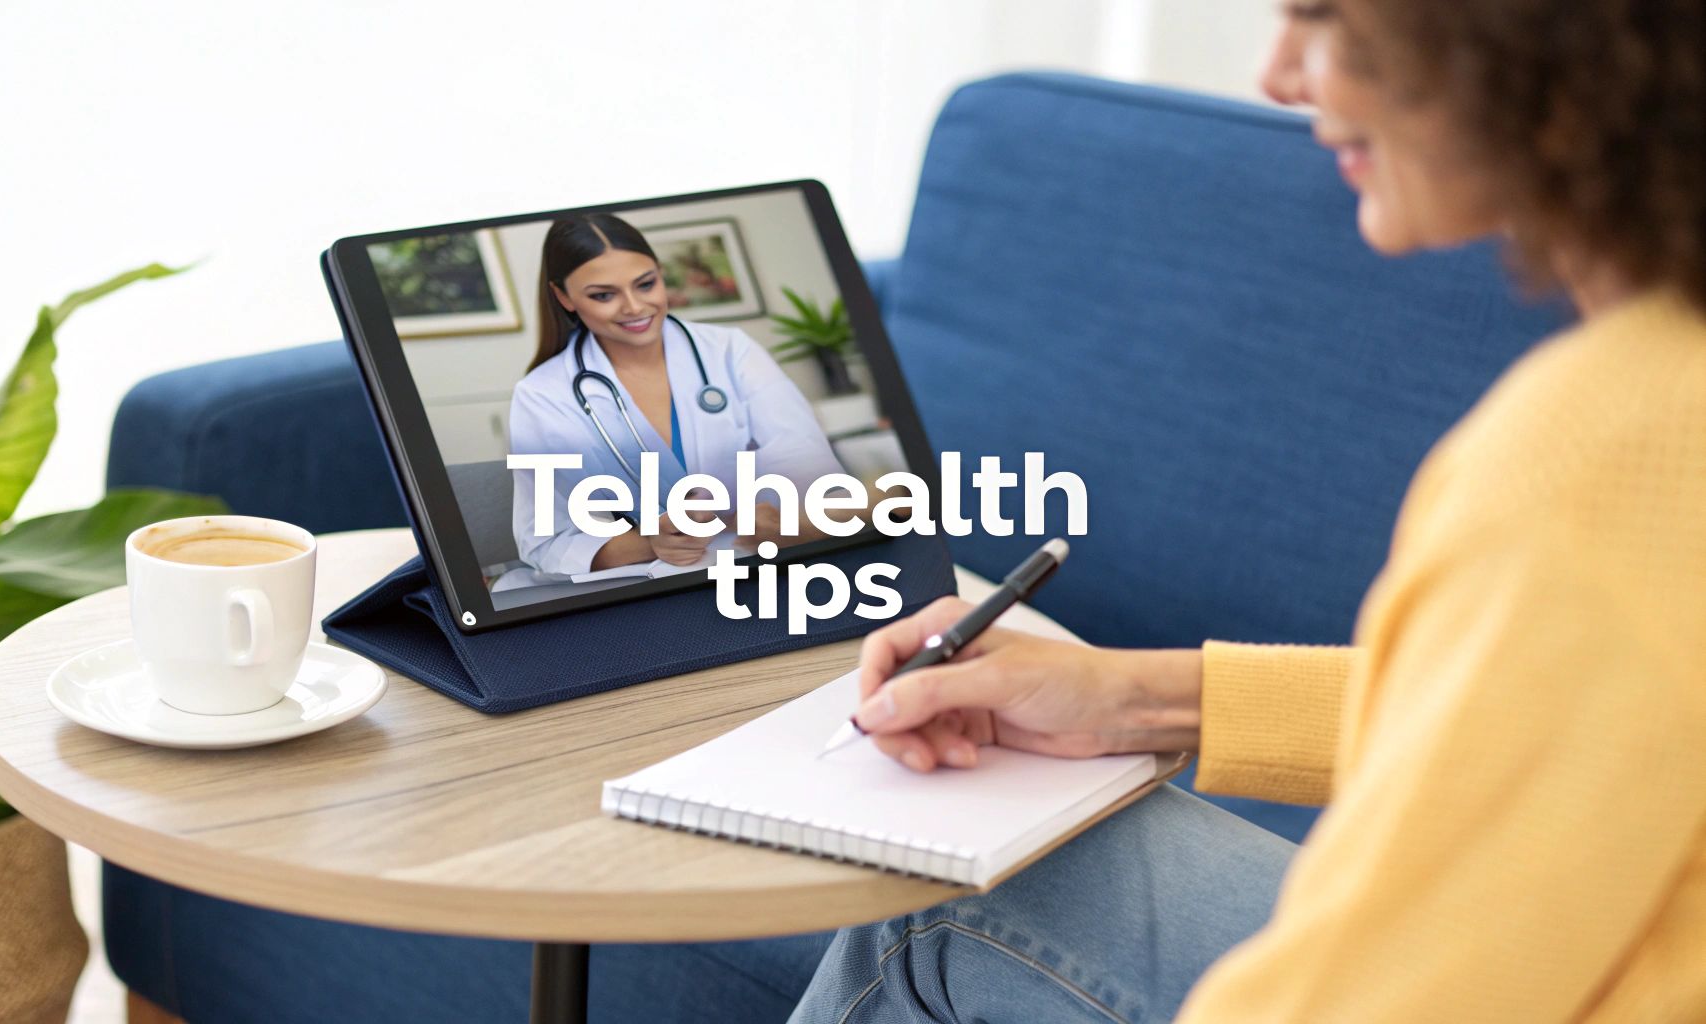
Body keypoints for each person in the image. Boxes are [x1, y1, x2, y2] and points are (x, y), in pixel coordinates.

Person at [791, 0, 1706, 1021]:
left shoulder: (1584, 461)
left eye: (1320, 18)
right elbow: (1574, 711)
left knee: (940, 900)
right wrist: (1138, 699)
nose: (1276, 75)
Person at [507, 213, 845, 578]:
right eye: (604, 295)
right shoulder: (543, 395)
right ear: (564, 297)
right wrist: (650, 541)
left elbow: (810, 471)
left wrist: (780, 516)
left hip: (769, 566)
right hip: (656, 586)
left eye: (646, 284)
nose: (635, 307)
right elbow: (548, 540)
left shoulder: (730, 351)